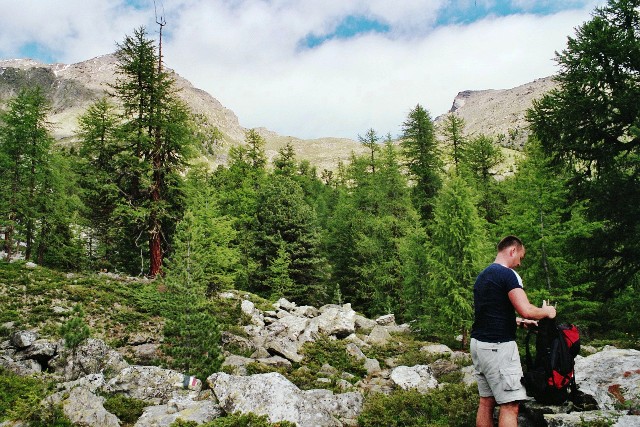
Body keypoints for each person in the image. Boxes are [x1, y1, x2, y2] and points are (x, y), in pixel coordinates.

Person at [470, 235, 556, 427]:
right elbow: (527, 309)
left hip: (478, 345)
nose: (519, 263)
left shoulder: (483, 276)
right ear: (512, 251)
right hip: (498, 347)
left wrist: (516, 322)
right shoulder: (507, 275)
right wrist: (547, 311)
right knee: (510, 405)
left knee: (486, 401)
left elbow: (489, 312)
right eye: (520, 258)